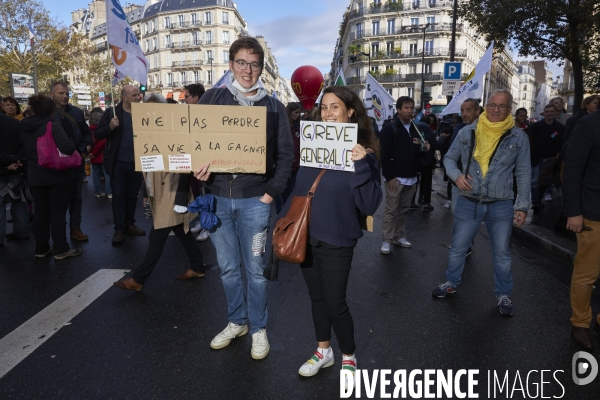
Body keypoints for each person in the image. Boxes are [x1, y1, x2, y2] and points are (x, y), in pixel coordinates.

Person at [192, 36, 293, 359]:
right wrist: (198, 167)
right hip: (219, 199)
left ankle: (259, 328)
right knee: (228, 269)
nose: (248, 70)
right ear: (231, 64)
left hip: (255, 203)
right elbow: (194, 142)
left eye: (254, 64)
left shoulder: (274, 108)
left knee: (256, 270)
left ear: (261, 68)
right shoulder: (211, 99)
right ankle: (237, 321)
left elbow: (286, 157)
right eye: (241, 62)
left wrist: (269, 194)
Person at [277, 86, 381, 385]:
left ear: (350, 112)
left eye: (335, 107)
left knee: (336, 302)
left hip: (338, 239)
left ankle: (348, 354)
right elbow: (299, 190)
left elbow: (370, 204)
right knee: (317, 297)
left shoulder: (365, 155)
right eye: (324, 108)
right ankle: (324, 351)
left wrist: (361, 163)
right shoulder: (313, 145)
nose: (328, 113)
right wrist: (281, 223)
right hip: (306, 236)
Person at [432, 89, 531, 316]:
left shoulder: (519, 137)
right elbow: (448, 158)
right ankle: (451, 282)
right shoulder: (468, 132)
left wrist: (522, 205)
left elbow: (524, 173)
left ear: (509, 109)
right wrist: (456, 176)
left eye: (502, 106)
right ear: (486, 106)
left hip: (501, 203)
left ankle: (503, 294)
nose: (496, 110)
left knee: (502, 252)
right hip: (468, 200)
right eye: (493, 105)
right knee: (458, 247)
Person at [113, 93, 206, 292]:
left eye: (156, 109)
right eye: (148, 109)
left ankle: (139, 278)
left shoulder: (175, 131)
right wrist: (146, 192)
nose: (152, 113)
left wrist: (181, 198)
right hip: (159, 192)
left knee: (158, 234)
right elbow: (145, 169)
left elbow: (184, 166)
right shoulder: (145, 132)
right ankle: (198, 266)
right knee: (182, 231)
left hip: (172, 191)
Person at [18, 94, 82, 260]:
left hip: (35, 175)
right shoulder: (51, 125)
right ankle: (61, 249)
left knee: (41, 213)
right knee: (58, 214)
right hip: (57, 175)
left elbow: (21, 150)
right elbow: (67, 147)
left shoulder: (23, 126)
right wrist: (72, 143)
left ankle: (41, 248)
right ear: (50, 110)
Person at [563, 109, 600, 350]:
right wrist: (574, 212)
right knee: (587, 273)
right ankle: (580, 323)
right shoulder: (590, 124)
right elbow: (572, 171)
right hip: (593, 212)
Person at [379, 97, 432, 254]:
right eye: (406, 108)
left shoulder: (416, 128)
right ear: (399, 109)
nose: (410, 111)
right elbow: (384, 154)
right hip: (395, 177)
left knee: (403, 210)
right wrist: (389, 177)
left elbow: (417, 153)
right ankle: (386, 240)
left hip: (411, 177)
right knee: (391, 210)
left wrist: (425, 148)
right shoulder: (390, 128)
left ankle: (398, 236)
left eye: (411, 107)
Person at [95, 85, 146, 245]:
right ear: (124, 97)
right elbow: (98, 133)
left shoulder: (142, 112)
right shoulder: (113, 113)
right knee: (118, 196)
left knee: (132, 196)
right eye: (134, 95)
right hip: (118, 162)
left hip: (137, 162)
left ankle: (130, 224)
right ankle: (119, 229)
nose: (138, 97)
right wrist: (110, 127)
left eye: (138, 94)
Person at [50, 82, 93, 242]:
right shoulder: (47, 113)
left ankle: (75, 228)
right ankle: (58, 236)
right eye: (61, 93)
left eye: (66, 93)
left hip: (77, 161)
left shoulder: (76, 111)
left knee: (76, 197)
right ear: (52, 95)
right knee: (58, 200)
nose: (64, 96)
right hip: (56, 164)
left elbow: (85, 131)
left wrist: (87, 147)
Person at [180, 83, 210, 242]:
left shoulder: (206, 114)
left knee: (205, 193)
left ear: (196, 98)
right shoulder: (187, 114)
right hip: (191, 160)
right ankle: (202, 219)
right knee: (197, 193)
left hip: (203, 162)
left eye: (187, 97)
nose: (184, 99)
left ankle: (208, 225)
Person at [528, 104, 564, 209]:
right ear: (544, 113)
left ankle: (538, 199)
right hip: (536, 157)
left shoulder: (560, 128)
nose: (549, 114)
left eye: (551, 111)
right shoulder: (535, 126)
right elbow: (530, 141)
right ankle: (535, 201)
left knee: (546, 180)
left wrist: (559, 153)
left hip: (551, 158)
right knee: (535, 180)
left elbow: (562, 142)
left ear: (554, 113)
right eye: (547, 111)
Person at [0, 113, 29, 244]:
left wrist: (8, 161)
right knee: (18, 200)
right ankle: (22, 231)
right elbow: (24, 144)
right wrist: (16, 160)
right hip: (15, 168)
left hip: (5, 168)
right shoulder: (14, 122)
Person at [275, 101, 302, 214]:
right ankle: (279, 213)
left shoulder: (300, 127)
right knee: (279, 190)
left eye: (299, 113)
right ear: (290, 112)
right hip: (283, 163)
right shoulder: (283, 125)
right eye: (296, 112)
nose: (297, 115)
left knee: (290, 190)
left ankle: (286, 213)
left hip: (296, 165)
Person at [88, 108, 111, 199]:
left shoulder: (89, 131)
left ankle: (97, 192)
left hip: (93, 156)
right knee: (106, 174)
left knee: (96, 175)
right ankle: (109, 192)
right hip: (101, 155)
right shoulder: (101, 130)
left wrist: (91, 153)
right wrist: (94, 152)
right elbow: (102, 143)